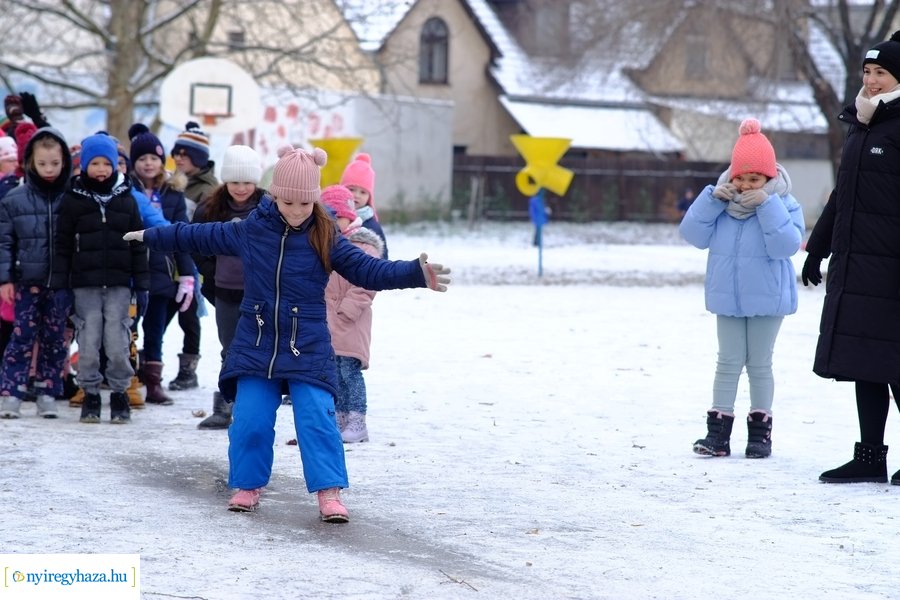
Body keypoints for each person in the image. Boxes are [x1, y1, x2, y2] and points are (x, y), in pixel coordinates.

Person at [124, 144, 451, 522]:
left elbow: (368, 270)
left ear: (314, 201)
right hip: (257, 340)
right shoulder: (250, 231)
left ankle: (329, 493)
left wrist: (414, 273)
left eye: (305, 204)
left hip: (307, 341)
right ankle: (247, 486)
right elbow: (196, 235)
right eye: (288, 203)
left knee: (316, 418)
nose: (296, 212)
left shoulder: (325, 237)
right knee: (249, 419)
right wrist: (150, 235)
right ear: (275, 196)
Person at [802, 31, 900, 484]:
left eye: (881, 72)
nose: (872, 79)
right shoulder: (862, 125)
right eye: (867, 71)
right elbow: (844, 196)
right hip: (857, 266)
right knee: (865, 363)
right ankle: (869, 458)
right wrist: (816, 249)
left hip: (891, 269)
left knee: (896, 368)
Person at [679, 118, 804, 459]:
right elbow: (692, 235)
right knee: (728, 361)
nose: (747, 185)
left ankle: (760, 435)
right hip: (728, 297)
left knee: (760, 363)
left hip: (767, 299)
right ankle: (717, 434)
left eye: (755, 179)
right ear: (732, 176)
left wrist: (767, 205)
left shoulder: (785, 204)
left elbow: (787, 246)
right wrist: (709, 201)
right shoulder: (720, 205)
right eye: (741, 177)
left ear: (768, 177)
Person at [52, 133, 149, 424]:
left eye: (106, 163)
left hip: (119, 285)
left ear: (116, 165)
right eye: (94, 163)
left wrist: (141, 285)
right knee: (89, 342)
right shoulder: (73, 200)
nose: (101, 169)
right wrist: (60, 286)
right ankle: (90, 394)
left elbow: (138, 244)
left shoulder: (127, 200)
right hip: (85, 286)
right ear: (83, 165)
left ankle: (120, 394)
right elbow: (63, 245)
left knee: (118, 343)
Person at [0, 126, 73, 418]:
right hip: (26, 282)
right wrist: (5, 278)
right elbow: (4, 241)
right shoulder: (13, 200)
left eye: (55, 163)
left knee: (56, 339)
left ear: (64, 161)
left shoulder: (72, 198)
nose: (49, 169)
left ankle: (47, 391)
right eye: (42, 163)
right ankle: (12, 393)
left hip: (61, 282)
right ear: (30, 161)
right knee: (21, 337)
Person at [191, 144, 265, 430]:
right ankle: (224, 406)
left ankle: (253, 404)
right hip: (224, 291)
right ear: (225, 180)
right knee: (230, 348)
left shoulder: (268, 206)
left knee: (259, 346)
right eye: (235, 182)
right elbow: (195, 244)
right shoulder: (210, 208)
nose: (241, 188)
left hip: (260, 292)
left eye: (247, 182)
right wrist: (212, 272)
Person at [128, 122, 195, 406]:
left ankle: (153, 382)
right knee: (129, 327)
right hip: (130, 270)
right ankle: (127, 379)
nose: (148, 163)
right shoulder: (125, 190)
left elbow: (181, 235)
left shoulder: (173, 194)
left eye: (153, 158)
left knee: (155, 331)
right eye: (141, 158)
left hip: (161, 273)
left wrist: (187, 275)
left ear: (161, 160)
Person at [321, 184, 384, 443]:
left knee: (350, 371)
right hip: (327, 321)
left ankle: (358, 420)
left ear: (349, 214)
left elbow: (367, 282)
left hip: (351, 321)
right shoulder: (323, 244)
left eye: (337, 216)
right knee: (333, 372)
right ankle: (339, 416)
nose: (333, 222)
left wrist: (347, 309)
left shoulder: (362, 246)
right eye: (328, 216)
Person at [168, 120, 217, 391]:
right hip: (170, 258)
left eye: (185, 154)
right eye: (176, 153)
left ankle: (188, 369)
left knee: (188, 314)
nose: (178, 158)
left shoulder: (207, 190)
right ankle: (149, 362)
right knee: (162, 310)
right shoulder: (175, 183)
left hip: (193, 262)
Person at [340, 153, 387, 257]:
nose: (356, 195)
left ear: (369, 197)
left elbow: (383, 256)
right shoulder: (334, 218)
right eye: (351, 189)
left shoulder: (371, 224)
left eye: (363, 192)